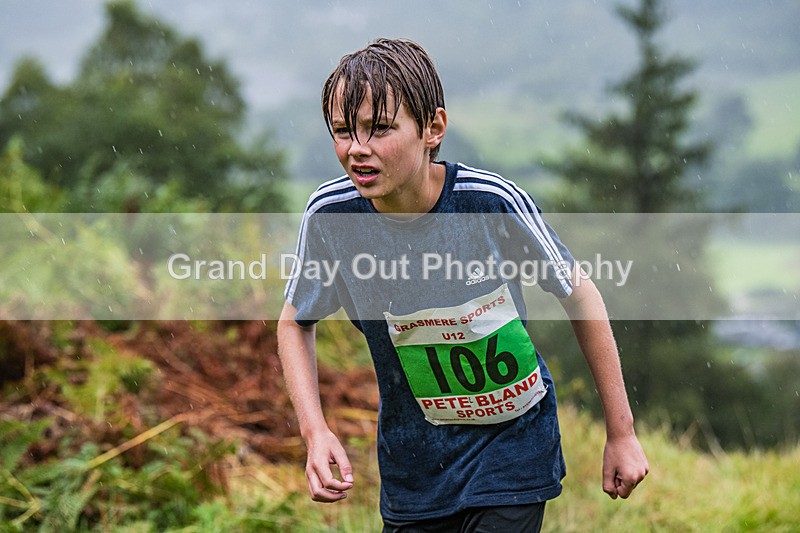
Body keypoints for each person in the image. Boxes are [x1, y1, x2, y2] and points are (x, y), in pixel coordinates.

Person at [277, 38, 648, 531]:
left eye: (379, 129)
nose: (357, 149)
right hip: (414, 467)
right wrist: (315, 431)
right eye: (343, 131)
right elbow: (294, 323)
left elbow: (579, 292)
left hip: (512, 447)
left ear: (433, 128)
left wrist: (621, 433)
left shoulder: (491, 202)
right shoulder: (330, 216)